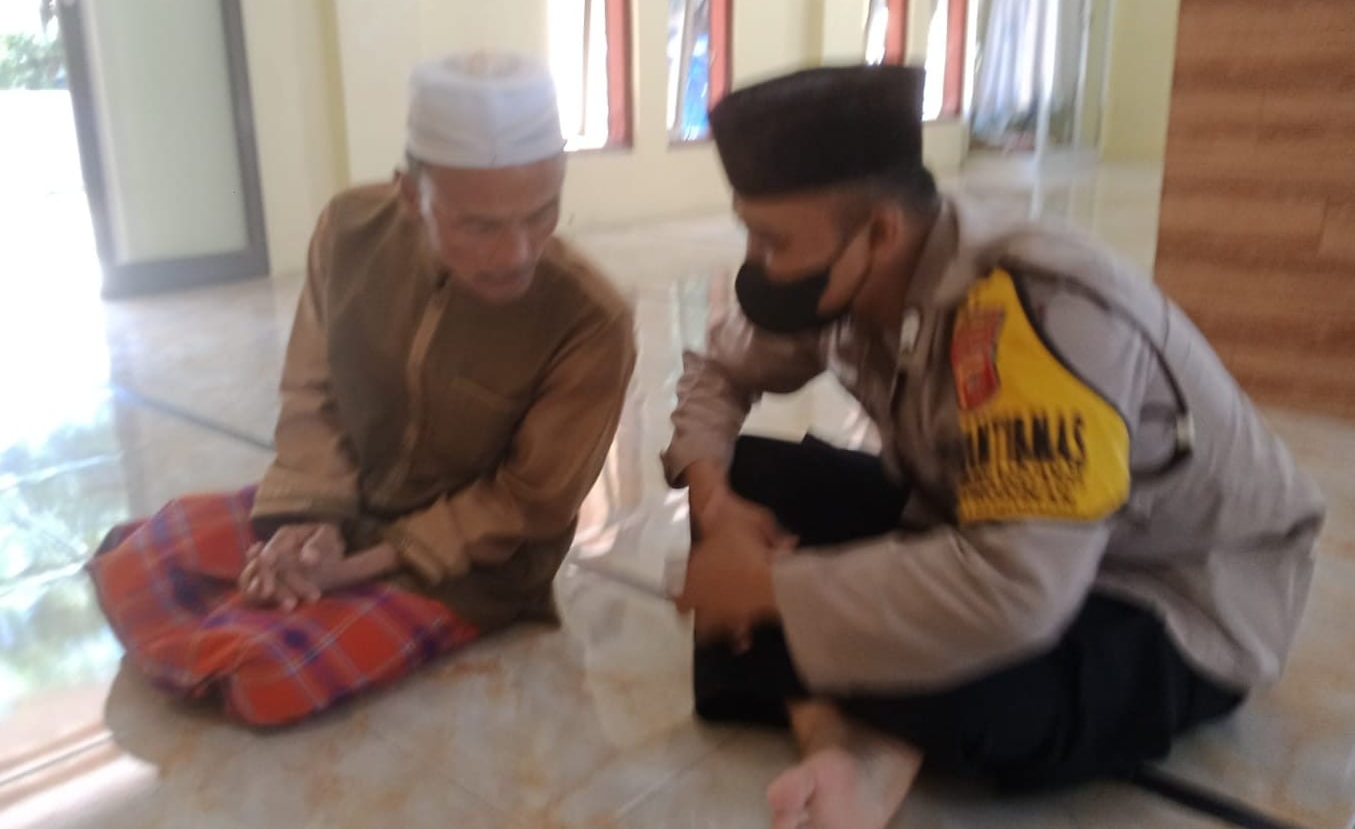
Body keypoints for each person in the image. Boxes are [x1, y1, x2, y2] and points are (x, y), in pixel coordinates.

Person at [663, 64, 1326, 829]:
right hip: (974, 519)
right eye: (749, 231)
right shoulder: (843, 278)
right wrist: (716, 501)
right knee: (749, 478)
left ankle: (845, 714)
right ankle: (840, 738)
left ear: (879, 232)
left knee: (987, 693)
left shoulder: (1037, 309)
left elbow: (1017, 588)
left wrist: (767, 589)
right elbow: (719, 369)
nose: (756, 261)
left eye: (772, 241)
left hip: (1159, 590)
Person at [89, 53, 636, 726]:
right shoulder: (350, 232)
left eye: (540, 213)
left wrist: (351, 569)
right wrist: (310, 523)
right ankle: (253, 604)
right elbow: (312, 391)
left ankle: (244, 620)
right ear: (410, 195)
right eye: (480, 225)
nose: (516, 252)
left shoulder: (590, 319)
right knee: (132, 559)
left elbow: (529, 503)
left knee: (270, 677)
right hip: (350, 503)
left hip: (466, 565)